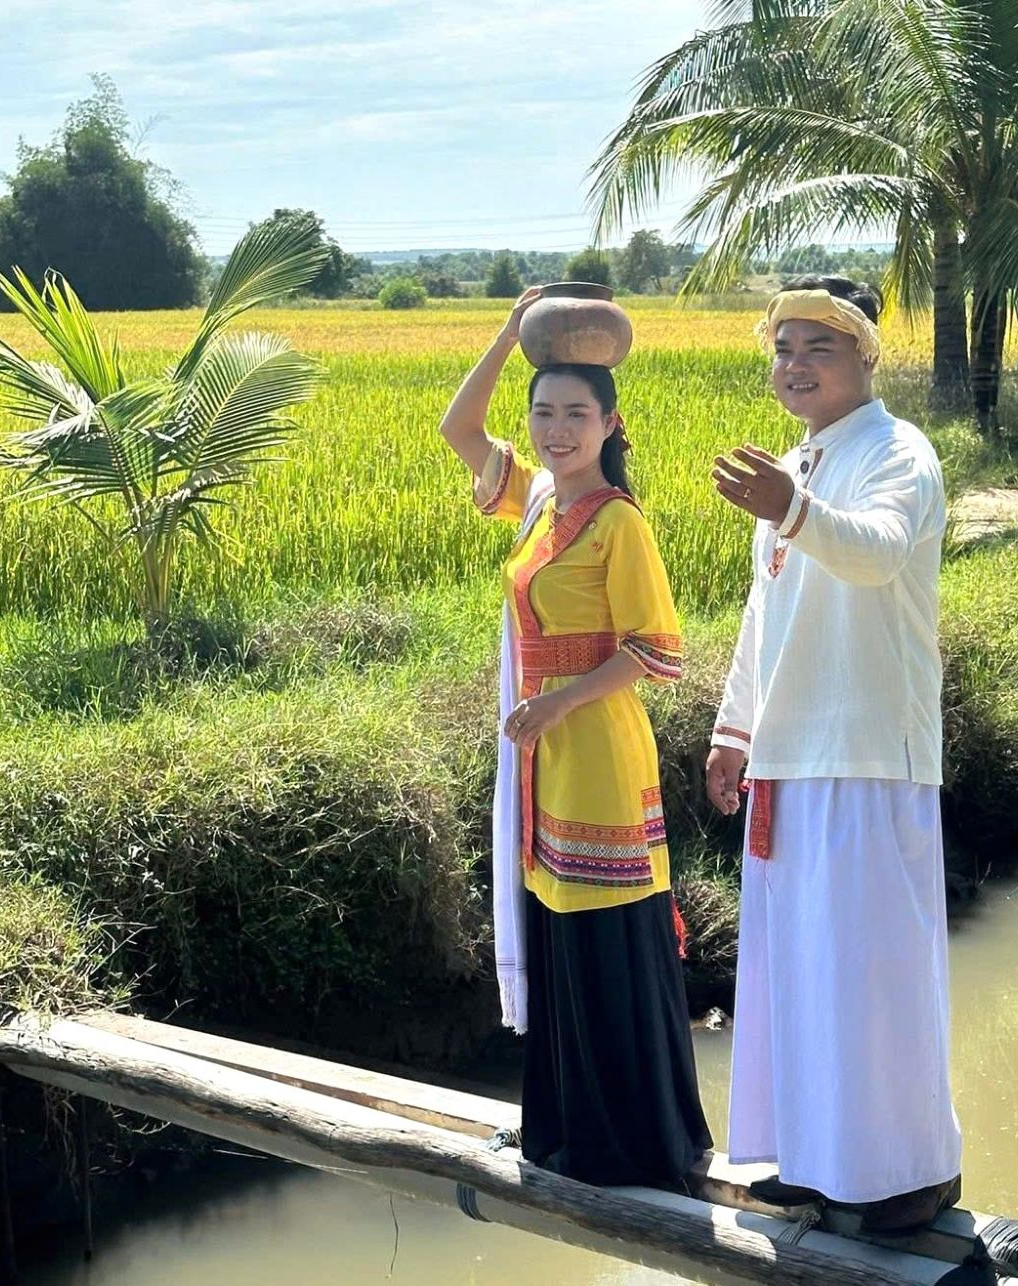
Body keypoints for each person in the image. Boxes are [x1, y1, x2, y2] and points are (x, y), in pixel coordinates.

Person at [438, 288, 711, 1188]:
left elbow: (653, 651)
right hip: (542, 754)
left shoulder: (617, 521)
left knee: (604, 931)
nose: (557, 431)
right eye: (544, 413)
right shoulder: (539, 502)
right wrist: (507, 331)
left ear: (610, 422)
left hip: (592, 747)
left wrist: (557, 706)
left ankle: (630, 1146)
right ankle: (563, 1134)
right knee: (557, 932)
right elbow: (457, 429)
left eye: (575, 415)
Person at [706, 276, 963, 1232]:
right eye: (782, 349)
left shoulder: (898, 452)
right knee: (799, 969)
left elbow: (880, 552)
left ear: (865, 358)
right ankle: (818, 1162)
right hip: (790, 752)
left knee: (873, 973)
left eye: (818, 347)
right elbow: (763, 617)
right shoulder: (795, 463)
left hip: (866, 752)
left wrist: (794, 509)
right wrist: (735, 730)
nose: (795, 365)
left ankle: (910, 1177)